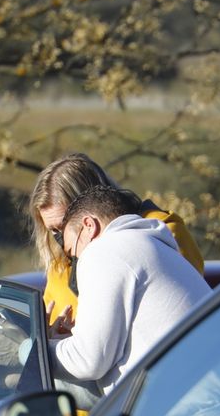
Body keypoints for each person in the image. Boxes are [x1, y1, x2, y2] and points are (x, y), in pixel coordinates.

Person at [46, 183, 210, 396]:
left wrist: (27, 352)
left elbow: (89, 360)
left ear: (89, 225)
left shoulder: (104, 250)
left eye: (72, 252)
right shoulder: (151, 247)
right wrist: (73, 340)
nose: (75, 262)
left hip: (189, 412)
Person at [27, 152, 204, 327]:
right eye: (54, 231)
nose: (63, 242)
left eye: (65, 226)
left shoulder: (160, 233)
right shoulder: (59, 268)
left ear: (91, 210)